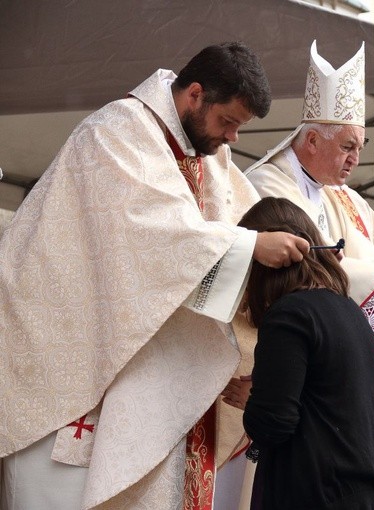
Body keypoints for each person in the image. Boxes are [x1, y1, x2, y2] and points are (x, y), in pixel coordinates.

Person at [0, 43, 309, 510]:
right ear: (195, 95)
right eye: (228, 121)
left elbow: (239, 213)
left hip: (136, 368)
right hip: (71, 355)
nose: (233, 138)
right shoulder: (117, 132)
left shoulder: (205, 152)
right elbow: (151, 234)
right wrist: (249, 246)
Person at [244, 40, 374, 361]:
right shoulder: (268, 184)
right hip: (278, 342)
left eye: (360, 146)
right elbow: (306, 264)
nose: (356, 159)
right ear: (312, 140)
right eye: (347, 147)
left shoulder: (342, 195)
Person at [239, 197, 374, 510]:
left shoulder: (289, 315)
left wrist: (256, 397)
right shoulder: (348, 308)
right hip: (369, 491)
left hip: (321, 493)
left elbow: (273, 423)